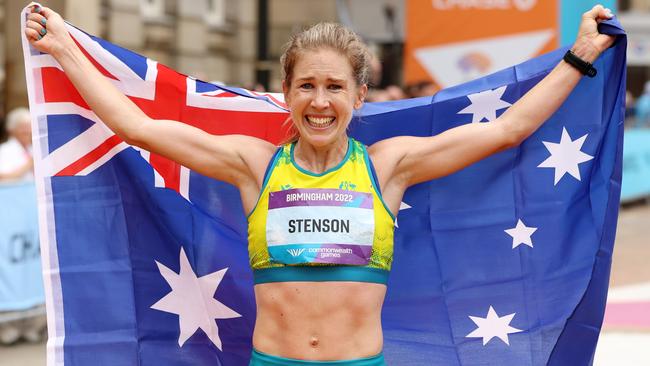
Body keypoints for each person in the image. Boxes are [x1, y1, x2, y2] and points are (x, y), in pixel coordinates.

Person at [24, 4, 615, 365]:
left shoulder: (389, 166)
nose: (320, 101)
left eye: (335, 87)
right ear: (286, 95)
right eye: (306, 86)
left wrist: (580, 55)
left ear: (359, 96)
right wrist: (64, 50)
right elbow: (137, 126)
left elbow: (510, 128)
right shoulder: (254, 164)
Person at [0, 107, 34, 182]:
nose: (28, 131)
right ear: (11, 130)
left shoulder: (32, 149)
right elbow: (2, 177)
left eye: (29, 127)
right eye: (23, 127)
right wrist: (29, 163)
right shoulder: (4, 150)